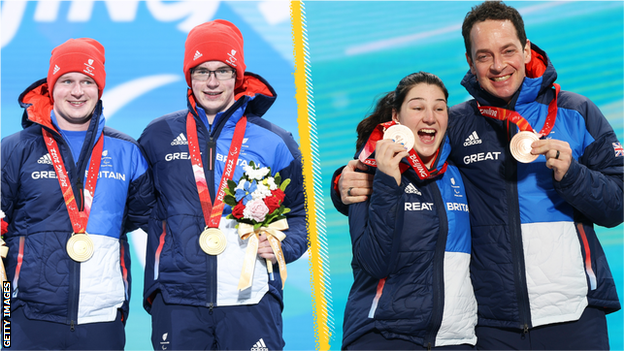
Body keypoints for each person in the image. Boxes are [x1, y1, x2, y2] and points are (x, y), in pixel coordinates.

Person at [332, 1, 624, 350]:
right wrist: (343, 182)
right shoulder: (455, 122)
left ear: (528, 49)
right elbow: (403, 157)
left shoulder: (577, 112)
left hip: (575, 314)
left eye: (508, 51)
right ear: (470, 61)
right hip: (493, 328)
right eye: (484, 55)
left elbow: (617, 204)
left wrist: (574, 176)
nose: (498, 65)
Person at [139, 19, 307, 350]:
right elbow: (137, 205)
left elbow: (303, 214)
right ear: (189, 76)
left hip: (252, 295)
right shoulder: (157, 136)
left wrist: (284, 246)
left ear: (238, 76)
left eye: (223, 71)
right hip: (177, 298)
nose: (212, 82)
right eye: (202, 71)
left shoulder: (275, 140)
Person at [0, 38, 154, 350]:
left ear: (99, 89)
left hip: (102, 315)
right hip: (25, 313)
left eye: (87, 81)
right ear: (51, 86)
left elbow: (141, 214)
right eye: (67, 81)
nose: (77, 91)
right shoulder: (15, 148)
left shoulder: (127, 151)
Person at [342, 72, 477, 351]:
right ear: (397, 116)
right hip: (384, 335)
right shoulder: (367, 172)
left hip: (456, 338)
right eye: (417, 107)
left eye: (439, 108)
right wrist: (387, 182)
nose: (430, 117)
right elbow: (375, 263)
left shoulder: (461, 173)